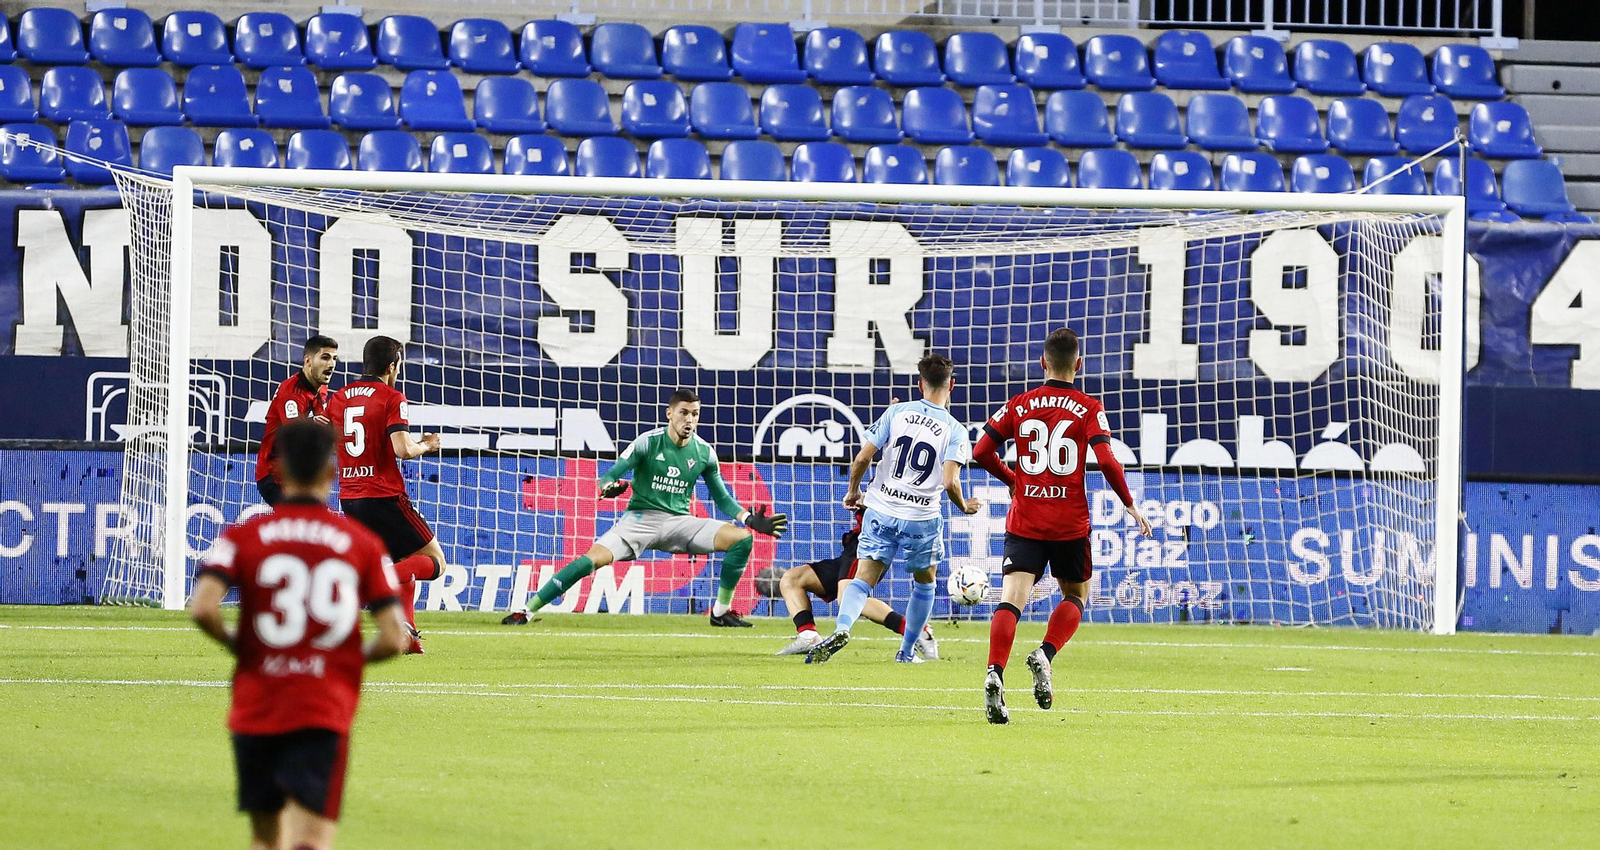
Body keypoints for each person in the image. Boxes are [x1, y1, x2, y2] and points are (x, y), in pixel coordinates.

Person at [189, 420, 408, 850]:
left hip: (256, 707)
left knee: (265, 840)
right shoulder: (362, 543)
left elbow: (202, 608)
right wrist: (340, 657)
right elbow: (393, 637)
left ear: (279, 473)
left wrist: (242, 646)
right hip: (321, 707)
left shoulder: (242, 536)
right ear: (332, 474)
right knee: (309, 843)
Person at [971, 328, 1152, 724]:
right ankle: (1045, 654)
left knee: (1012, 597)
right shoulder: (1088, 407)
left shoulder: (1020, 403)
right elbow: (1106, 461)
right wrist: (1129, 504)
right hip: (1069, 524)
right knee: (1076, 594)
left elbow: (981, 450)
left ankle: (994, 673)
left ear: (1042, 363)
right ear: (1079, 364)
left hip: (1026, 519)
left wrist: (1014, 480)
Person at [503, 389, 787, 628]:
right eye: (684, 412)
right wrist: (609, 487)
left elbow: (721, 497)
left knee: (741, 539)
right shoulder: (647, 443)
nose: (689, 419)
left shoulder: (703, 452)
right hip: (639, 521)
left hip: (680, 522)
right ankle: (526, 610)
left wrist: (749, 518)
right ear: (670, 413)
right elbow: (610, 475)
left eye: (695, 414)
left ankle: (721, 611)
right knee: (590, 560)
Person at [806, 354, 981, 664]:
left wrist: (853, 490)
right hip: (921, 519)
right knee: (924, 583)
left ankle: (843, 628)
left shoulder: (897, 412)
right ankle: (906, 651)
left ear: (919, 384)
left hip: (881, 510)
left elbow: (862, 458)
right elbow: (951, 482)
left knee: (861, 581)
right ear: (951, 385)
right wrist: (964, 506)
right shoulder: (954, 429)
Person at [325, 336, 444, 654]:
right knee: (434, 562)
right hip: (384, 496)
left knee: (406, 559)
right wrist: (427, 445)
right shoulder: (392, 397)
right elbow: (403, 450)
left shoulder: (340, 397)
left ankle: (408, 636)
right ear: (393, 366)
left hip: (349, 497)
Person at [775, 507, 938, 659]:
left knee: (848, 597)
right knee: (792, 579)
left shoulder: (889, 482)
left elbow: (890, 505)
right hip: (851, 547)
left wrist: (862, 499)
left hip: (867, 544)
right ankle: (808, 636)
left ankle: (915, 631)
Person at [256, 335, 338, 506]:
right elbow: (297, 439)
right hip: (275, 474)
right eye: (325, 357)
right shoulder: (291, 394)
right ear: (308, 361)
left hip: (299, 473)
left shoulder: (321, 388)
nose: (331, 365)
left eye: (334, 358)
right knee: (304, 521)